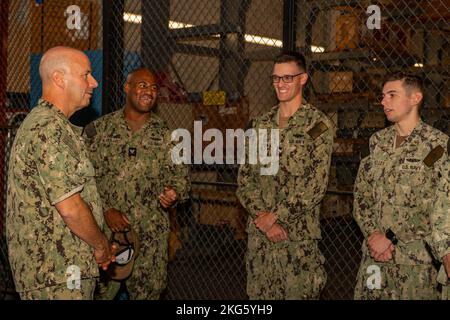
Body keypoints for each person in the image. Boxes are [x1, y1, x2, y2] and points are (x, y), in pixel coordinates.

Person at [6, 46, 114, 300]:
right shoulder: (48, 128)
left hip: (61, 273)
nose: (94, 82)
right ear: (59, 78)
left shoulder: (53, 126)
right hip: (57, 277)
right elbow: (70, 208)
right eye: (85, 74)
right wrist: (100, 246)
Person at [84, 67, 190, 300]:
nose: (149, 92)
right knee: (98, 294)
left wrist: (174, 193)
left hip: (150, 237)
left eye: (153, 88)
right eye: (142, 85)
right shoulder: (100, 130)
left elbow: (181, 180)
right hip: (107, 236)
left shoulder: (168, 136)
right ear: (127, 88)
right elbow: (83, 181)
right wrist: (105, 209)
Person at [236, 51, 334, 299]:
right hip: (261, 239)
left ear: (303, 79)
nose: (280, 84)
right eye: (276, 78)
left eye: (287, 78)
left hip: (296, 239)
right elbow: (246, 179)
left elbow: (316, 184)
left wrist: (277, 216)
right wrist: (263, 218)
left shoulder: (318, 124)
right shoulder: (261, 123)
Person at [353, 72, 450, 299]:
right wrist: (373, 234)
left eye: (392, 95)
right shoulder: (377, 142)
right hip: (374, 256)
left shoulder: (437, 146)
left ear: (415, 98)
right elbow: (362, 195)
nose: (383, 101)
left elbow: (438, 208)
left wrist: (391, 237)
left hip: (415, 263)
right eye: (383, 96)